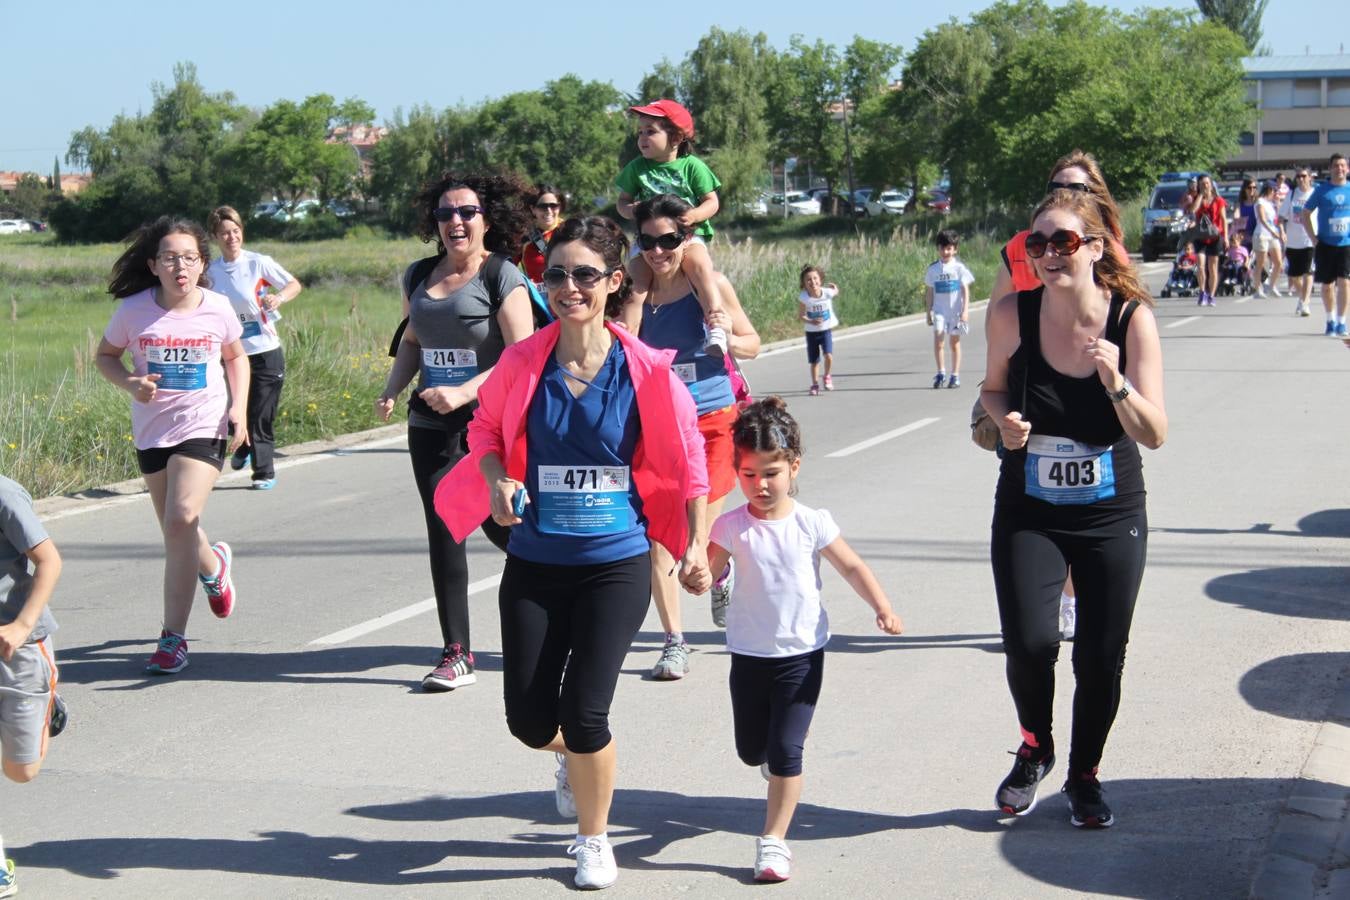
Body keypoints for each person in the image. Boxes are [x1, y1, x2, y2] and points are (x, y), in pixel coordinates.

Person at [433, 215, 712, 890]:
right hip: (536, 562)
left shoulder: (645, 371)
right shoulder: (523, 363)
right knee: (530, 722)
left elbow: (690, 462)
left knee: (587, 713)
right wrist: (499, 475)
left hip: (615, 565)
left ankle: (593, 839)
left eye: (585, 274)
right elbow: (487, 432)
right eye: (555, 274)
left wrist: (697, 542)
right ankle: (574, 757)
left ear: (614, 282)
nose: (568, 287)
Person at [982, 188, 1167, 829]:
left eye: (1062, 241)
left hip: (1111, 508)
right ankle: (1035, 744)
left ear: (1094, 247)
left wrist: (1114, 380)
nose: (1048, 254)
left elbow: (1154, 431)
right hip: (1030, 504)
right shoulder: (1011, 312)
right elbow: (991, 386)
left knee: (1099, 653)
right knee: (1030, 641)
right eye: (1037, 244)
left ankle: (1084, 775)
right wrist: (1000, 419)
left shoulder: (1130, 319)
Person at [697, 396, 902, 882]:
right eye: (748, 474)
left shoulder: (812, 522)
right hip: (748, 654)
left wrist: (883, 607)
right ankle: (772, 765)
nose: (760, 485)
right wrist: (697, 576)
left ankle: (773, 843)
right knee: (753, 750)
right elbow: (708, 569)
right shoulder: (731, 525)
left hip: (802, 655)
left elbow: (851, 565)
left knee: (788, 751)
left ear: (794, 467)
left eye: (770, 472)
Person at [375, 173, 536, 692]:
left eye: (466, 212)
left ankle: (560, 591)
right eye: (445, 214)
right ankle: (457, 652)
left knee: (500, 521)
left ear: (486, 218)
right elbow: (413, 343)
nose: (456, 222)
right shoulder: (419, 275)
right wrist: (392, 387)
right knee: (445, 528)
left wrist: (466, 392)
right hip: (429, 422)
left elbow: (522, 356)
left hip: (487, 423)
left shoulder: (501, 275)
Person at [95, 217, 247, 675]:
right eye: (169, 257)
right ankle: (214, 565)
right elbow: (105, 357)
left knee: (180, 518)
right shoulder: (133, 311)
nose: (180, 266)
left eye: (190, 258)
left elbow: (236, 357)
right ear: (154, 265)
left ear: (202, 264)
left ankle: (172, 639)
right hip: (152, 430)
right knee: (176, 529)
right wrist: (130, 382)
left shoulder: (217, 307)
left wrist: (238, 407)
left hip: (205, 423)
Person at [635, 194, 761, 666]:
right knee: (658, 536)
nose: (658, 251)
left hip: (713, 423)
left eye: (668, 240)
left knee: (695, 537)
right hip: (659, 428)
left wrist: (726, 336)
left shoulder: (711, 287)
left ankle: (718, 572)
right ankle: (674, 643)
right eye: (647, 241)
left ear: (685, 238)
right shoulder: (638, 295)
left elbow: (753, 343)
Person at [615, 99, 727, 356]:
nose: (642, 138)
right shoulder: (636, 168)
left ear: (676, 137)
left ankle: (716, 324)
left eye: (651, 131)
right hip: (648, 240)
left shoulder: (692, 166)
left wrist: (696, 214)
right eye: (640, 132)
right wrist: (631, 210)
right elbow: (622, 202)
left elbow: (712, 201)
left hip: (686, 237)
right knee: (636, 282)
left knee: (700, 267)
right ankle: (628, 335)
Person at [205, 205, 303, 490]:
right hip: (232, 355)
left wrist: (279, 298)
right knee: (233, 410)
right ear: (215, 237)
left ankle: (264, 471)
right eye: (224, 233)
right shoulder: (211, 272)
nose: (231, 237)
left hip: (265, 350)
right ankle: (243, 448)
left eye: (235, 231)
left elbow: (293, 284)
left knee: (261, 413)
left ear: (242, 232)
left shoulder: (258, 263)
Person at [0, 475, 66, 899]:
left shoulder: (4, 496)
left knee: (21, 770)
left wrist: (22, 626)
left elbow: (50, 561)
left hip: (18, 645)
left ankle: (49, 706)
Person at [1299, 154, 1350, 337]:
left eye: (1343, 166)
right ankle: (1330, 320)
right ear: (1331, 168)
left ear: (1348, 169)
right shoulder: (1322, 190)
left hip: (1346, 244)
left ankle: (1342, 322)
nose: (1340, 169)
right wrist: (1313, 238)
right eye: (1336, 165)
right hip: (1326, 244)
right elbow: (1305, 214)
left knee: (1345, 283)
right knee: (1327, 286)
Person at [924, 229, 975, 389]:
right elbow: (930, 291)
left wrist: (965, 311)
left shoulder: (959, 269)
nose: (946, 252)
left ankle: (955, 375)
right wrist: (928, 312)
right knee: (939, 339)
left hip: (956, 312)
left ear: (955, 249)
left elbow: (965, 290)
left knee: (954, 343)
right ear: (938, 249)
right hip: (939, 311)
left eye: (949, 248)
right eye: (943, 248)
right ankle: (941, 372)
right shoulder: (933, 270)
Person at [797, 265, 839, 396]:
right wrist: (811, 321)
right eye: (808, 279)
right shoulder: (804, 298)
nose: (812, 282)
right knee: (814, 361)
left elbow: (834, 291)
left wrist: (835, 289)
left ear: (820, 280)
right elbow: (801, 315)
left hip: (825, 330)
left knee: (828, 355)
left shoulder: (826, 293)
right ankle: (814, 384)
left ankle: (827, 376)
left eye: (815, 278)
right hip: (811, 333)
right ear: (804, 284)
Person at [1188, 174, 1228, 307]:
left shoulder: (1219, 200)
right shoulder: (1197, 199)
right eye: (1202, 184)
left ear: (1211, 184)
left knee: (1213, 267)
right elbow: (1193, 210)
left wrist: (1226, 237)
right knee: (1200, 264)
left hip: (1215, 237)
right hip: (1200, 236)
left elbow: (1223, 219)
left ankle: (1211, 295)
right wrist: (1200, 195)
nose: (1205, 186)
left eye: (1207, 183)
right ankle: (1202, 292)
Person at [1281, 168, 1317, 316]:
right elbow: (1282, 217)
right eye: (1298, 177)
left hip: (1309, 239)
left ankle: (1306, 302)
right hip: (1293, 241)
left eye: (1303, 176)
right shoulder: (1292, 194)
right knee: (1294, 276)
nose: (1300, 179)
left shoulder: (1315, 194)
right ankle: (1302, 298)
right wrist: (1282, 232)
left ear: (1310, 178)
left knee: (1308, 272)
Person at [517, 184, 565, 289]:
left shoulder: (571, 232)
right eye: (543, 206)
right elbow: (507, 270)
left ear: (559, 207)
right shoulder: (523, 238)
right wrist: (522, 283)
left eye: (553, 206)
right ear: (533, 209)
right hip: (538, 302)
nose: (548, 210)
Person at [1252, 182, 1285, 299]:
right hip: (1261, 234)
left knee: (1278, 262)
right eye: (1274, 190)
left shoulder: (1271, 203)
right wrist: (1272, 231)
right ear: (1270, 190)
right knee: (1261, 263)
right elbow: (1262, 218)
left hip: (1272, 235)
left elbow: (1279, 216)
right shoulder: (1260, 201)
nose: (1275, 193)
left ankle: (1271, 286)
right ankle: (1257, 289)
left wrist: (1278, 202)